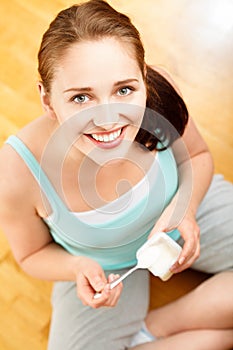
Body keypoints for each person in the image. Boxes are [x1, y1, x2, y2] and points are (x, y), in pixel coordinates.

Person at [0, 1, 232, 349]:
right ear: (47, 101)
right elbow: (30, 255)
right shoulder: (16, 171)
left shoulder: (162, 92)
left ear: (143, 77)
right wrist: (78, 268)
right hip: (103, 269)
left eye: (124, 90)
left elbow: (195, 156)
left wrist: (185, 208)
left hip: (183, 211)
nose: (109, 119)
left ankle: (158, 327)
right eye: (81, 98)